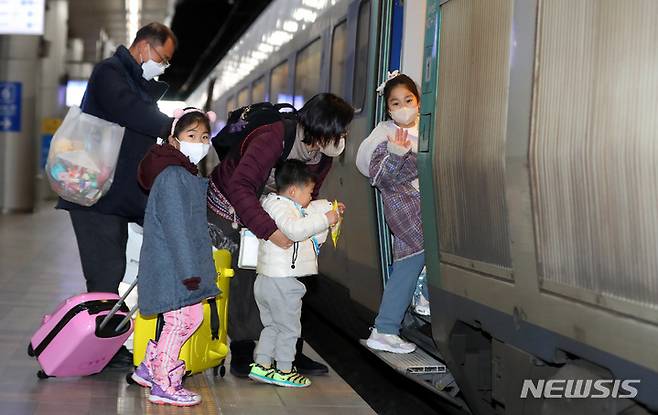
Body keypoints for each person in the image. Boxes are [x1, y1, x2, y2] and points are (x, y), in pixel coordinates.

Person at [207, 93, 354, 377]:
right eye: (340, 128)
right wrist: (269, 231)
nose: (343, 135)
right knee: (245, 273)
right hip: (230, 204)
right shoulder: (273, 137)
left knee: (289, 272)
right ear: (323, 127)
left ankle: (289, 352)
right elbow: (241, 187)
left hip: (271, 206)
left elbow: (308, 195)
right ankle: (242, 350)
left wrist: (318, 218)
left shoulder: (323, 153)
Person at [56, 22, 177, 367]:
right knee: (105, 271)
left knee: (112, 268)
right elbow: (130, 111)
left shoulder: (135, 79)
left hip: (114, 194)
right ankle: (99, 348)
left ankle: (104, 344)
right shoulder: (109, 72)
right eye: (162, 58)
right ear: (143, 47)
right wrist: (172, 126)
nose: (163, 66)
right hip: (94, 193)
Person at [130, 108, 220, 406]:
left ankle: (148, 368)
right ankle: (164, 381)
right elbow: (177, 228)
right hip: (175, 267)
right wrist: (190, 273)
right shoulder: (173, 176)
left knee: (178, 319)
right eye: (191, 135)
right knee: (186, 319)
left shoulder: (181, 173)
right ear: (174, 140)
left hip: (173, 264)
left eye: (204, 136)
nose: (199, 141)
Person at [248, 160, 342, 388]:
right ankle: (285, 369)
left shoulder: (276, 205)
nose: (311, 198)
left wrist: (328, 212)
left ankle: (261, 365)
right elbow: (296, 230)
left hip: (268, 280)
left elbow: (307, 227)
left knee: (272, 326)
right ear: (293, 191)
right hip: (283, 281)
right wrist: (325, 219)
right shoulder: (282, 208)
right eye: (309, 192)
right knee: (290, 328)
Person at [355, 71, 428, 353]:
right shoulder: (385, 135)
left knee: (420, 258)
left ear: (419, 101)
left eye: (408, 100)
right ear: (388, 109)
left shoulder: (425, 128)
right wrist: (396, 154)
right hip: (406, 209)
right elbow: (380, 178)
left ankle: (417, 303)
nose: (403, 107)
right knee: (413, 259)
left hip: (424, 206)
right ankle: (385, 328)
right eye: (396, 103)